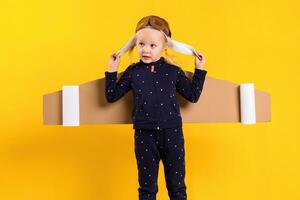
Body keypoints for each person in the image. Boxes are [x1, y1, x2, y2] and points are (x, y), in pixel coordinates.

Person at [104, 15, 207, 200]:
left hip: (172, 133)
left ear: (164, 46)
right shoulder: (133, 72)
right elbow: (111, 96)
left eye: (153, 45)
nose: (146, 50)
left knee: (177, 188)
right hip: (144, 135)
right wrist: (112, 69)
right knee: (147, 189)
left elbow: (192, 96)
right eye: (141, 44)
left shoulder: (173, 72)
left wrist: (199, 69)